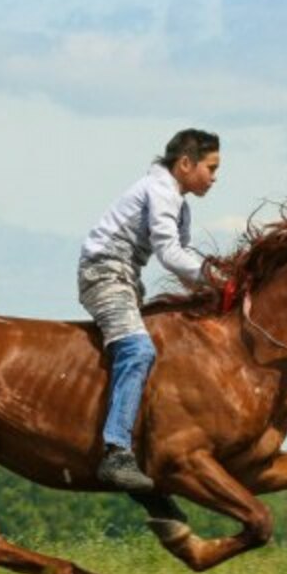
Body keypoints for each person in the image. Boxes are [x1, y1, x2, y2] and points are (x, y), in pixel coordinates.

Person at [78, 128, 220, 492]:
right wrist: (214, 277)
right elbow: (170, 254)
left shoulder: (178, 202)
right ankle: (115, 452)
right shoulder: (161, 191)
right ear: (185, 163)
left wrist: (213, 289)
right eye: (211, 167)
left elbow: (183, 264)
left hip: (125, 277)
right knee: (138, 350)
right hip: (104, 274)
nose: (214, 178)